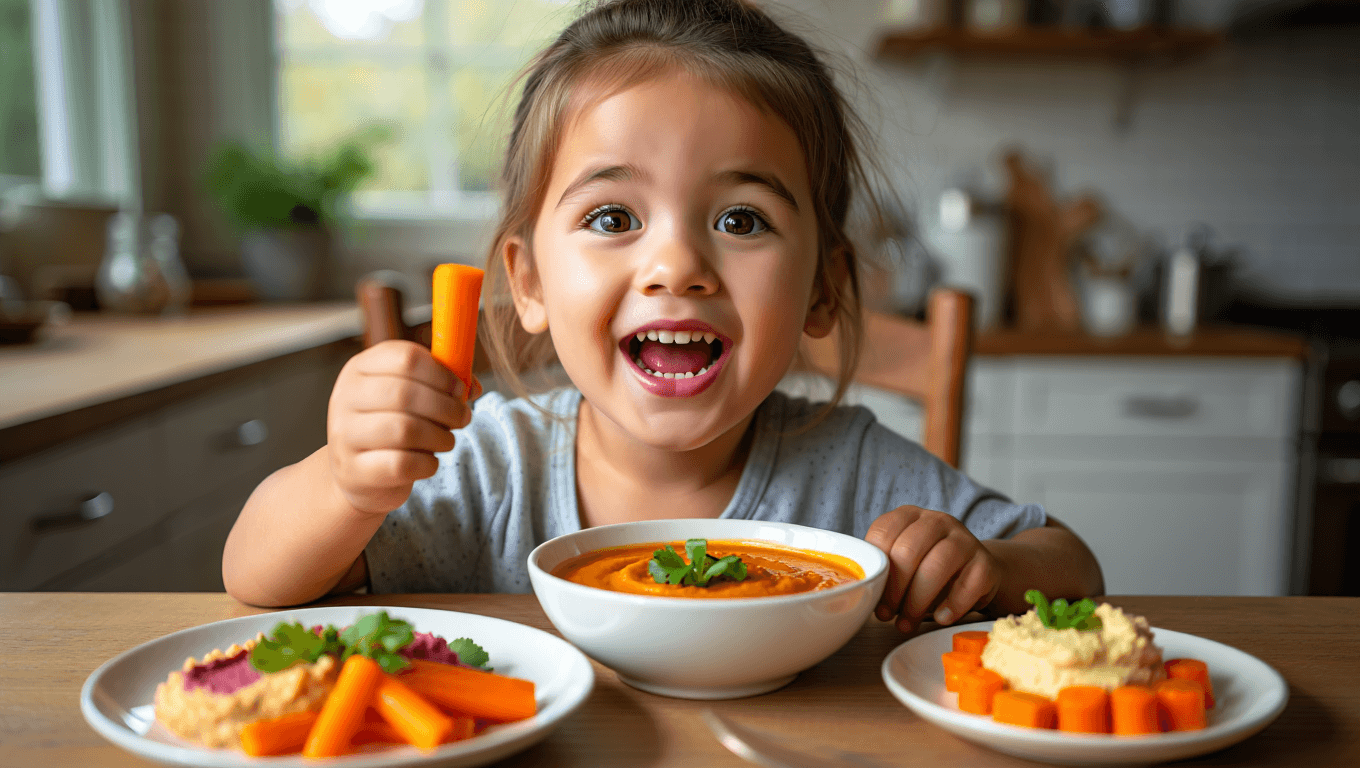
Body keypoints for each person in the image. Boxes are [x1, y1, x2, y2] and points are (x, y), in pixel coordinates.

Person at [223, 0, 1103, 631]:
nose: (677, 265)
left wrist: (992, 568)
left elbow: (1074, 567)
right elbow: (255, 578)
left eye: (741, 220)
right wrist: (343, 481)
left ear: (824, 290)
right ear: (527, 282)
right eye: (613, 219)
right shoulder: (490, 462)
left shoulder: (851, 472)